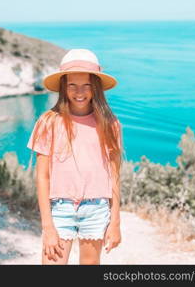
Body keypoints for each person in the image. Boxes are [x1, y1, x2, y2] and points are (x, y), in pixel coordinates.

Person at [26, 49, 123, 265]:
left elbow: (114, 175)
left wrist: (115, 221)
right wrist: (47, 227)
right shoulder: (48, 121)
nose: (80, 92)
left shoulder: (110, 124)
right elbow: (42, 177)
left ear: (95, 87)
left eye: (87, 85)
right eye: (72, 85)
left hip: (97, 208)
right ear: (63, 87)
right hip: (60, 209)